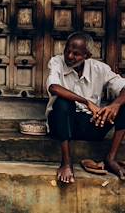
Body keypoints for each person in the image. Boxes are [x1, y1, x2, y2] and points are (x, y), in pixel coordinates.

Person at [47, 32, 125, 184]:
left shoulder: (100, 68)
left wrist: (115, 105)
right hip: (61, 125)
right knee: (63, 102)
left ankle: (111, 158)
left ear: (87, 55)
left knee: (123, 105)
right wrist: (86, 102)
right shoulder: (56, 62)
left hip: (91, 125)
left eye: (76, 54)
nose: (69, 56)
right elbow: (54, 87)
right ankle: (66, 163)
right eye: (67, 51)